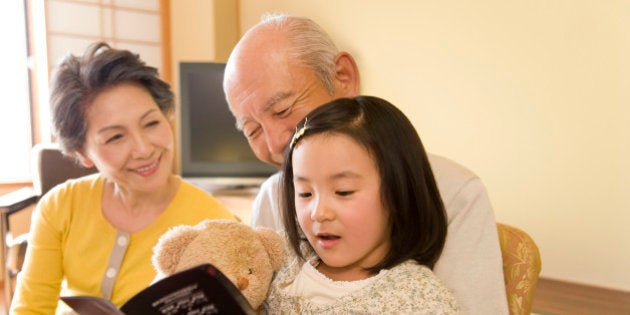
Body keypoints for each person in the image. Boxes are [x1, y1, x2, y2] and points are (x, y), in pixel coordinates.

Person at [223, 13, 508, 314]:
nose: (275, 142)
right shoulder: (273, 195)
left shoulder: (456, 193)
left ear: (343, 77)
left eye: (282, 110)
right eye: (252, 130)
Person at [10, 42, 237, 314]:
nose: (143, 149)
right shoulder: (60, 206)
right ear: (83, 153)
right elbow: (30, 308)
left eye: (151, 123)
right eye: (116, 137)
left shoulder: (214, 224)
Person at [265, 96, 459, 313]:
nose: (318, 213)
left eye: (343, 191)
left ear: (399, 190)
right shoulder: (280, 256)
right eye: (305, 193)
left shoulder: (424, 302)